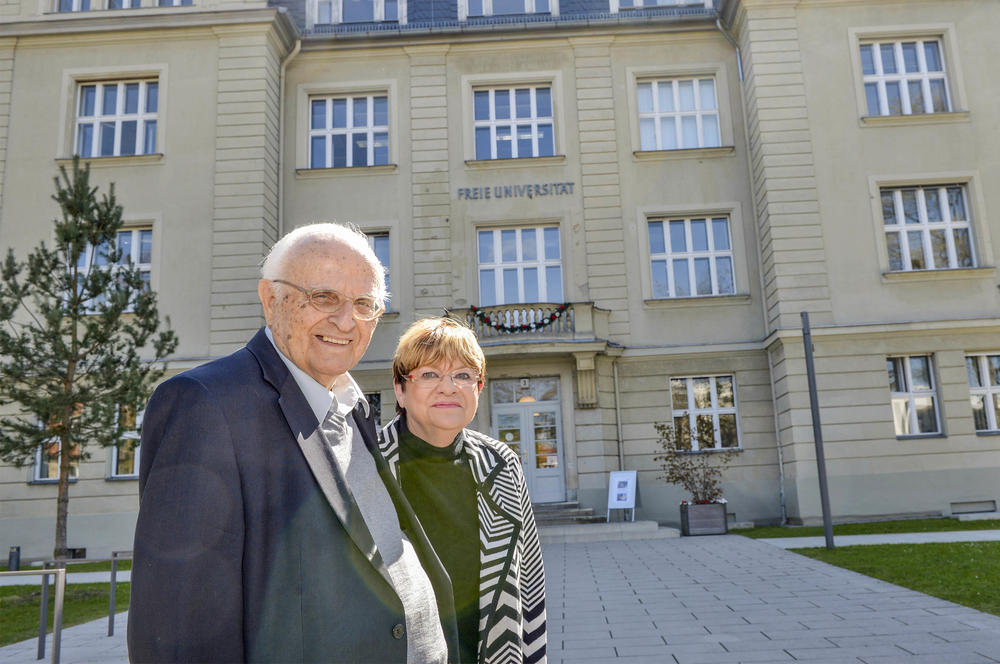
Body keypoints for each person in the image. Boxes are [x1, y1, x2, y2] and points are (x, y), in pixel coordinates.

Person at [128, 224, 458, 663]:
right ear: (270, 300)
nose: (346, 321)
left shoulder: (351, 404)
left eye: (364, 304)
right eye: (323, 298)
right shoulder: (206, 405)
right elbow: (178, 632)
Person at [379, 317, 547, 664]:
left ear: (478, 388)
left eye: (463, 375)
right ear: (400, 389)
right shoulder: (366, 463)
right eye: (429, 374)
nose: (448, 387)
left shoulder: (502, 464)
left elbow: (529, 583)